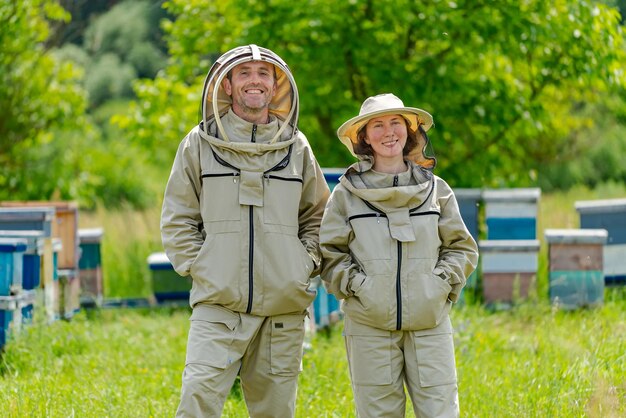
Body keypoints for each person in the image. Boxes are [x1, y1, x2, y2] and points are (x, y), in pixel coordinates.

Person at [161, 44, 330, 417]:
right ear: (226, 85)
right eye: (244, 73)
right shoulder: (198, 144)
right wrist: (203, 266)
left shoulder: (297, 147)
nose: (255, 80)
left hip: (282, 310)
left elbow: (319, 217)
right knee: (196, 402)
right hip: (218, 306)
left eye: (263, 74)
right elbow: (178, 217)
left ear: (276, 85)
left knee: (275, 411)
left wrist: (301, 264)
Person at [320, 93, 479, 417]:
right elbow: (330, 253)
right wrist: (361, 288)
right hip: (368, 325)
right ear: (363, 136)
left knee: (440, 412)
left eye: (396, 123)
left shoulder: (437, 190)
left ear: (410, 131)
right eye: (377, 125)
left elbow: (461, 247)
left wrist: (437, 286)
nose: (388, 132)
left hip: (429, 323)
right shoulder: (345, 195)